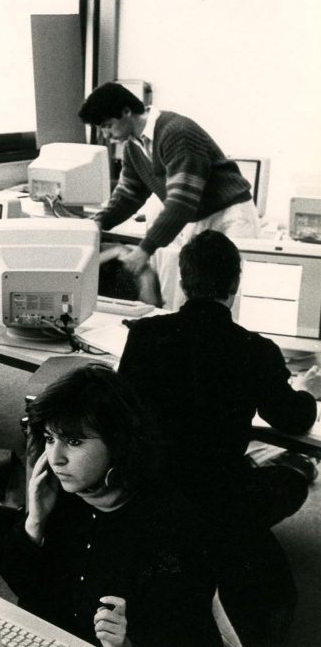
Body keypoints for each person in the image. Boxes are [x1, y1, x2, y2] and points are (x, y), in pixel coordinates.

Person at [118, 229, 320, 644]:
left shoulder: (143, 336)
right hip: (222, 497)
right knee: (293, 476)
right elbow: (293, 419)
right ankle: (298, 469)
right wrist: (310, 389)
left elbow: (123, 414)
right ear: (235, 284)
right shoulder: (255, 349)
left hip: (151, 492)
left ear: (184, 281)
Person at [0, 364, 221, 647]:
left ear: (117, 443)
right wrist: (35, 522)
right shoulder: (60, 495)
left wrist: (126, 643)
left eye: (73, 441)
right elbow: (21, 584)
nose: (55, 458)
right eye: (50, 439)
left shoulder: (168, 524)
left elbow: (187, 632)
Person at [78, 83, 259, 293]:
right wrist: (100, 221)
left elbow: (182, 202)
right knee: (199, 293)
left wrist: (145, 250)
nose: (105, 135)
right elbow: (129, 194)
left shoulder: (177, 132)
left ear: (126, 111)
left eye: (107, 125)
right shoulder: (133, 146)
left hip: (230, 216)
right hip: (198, 218)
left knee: (231, 293)